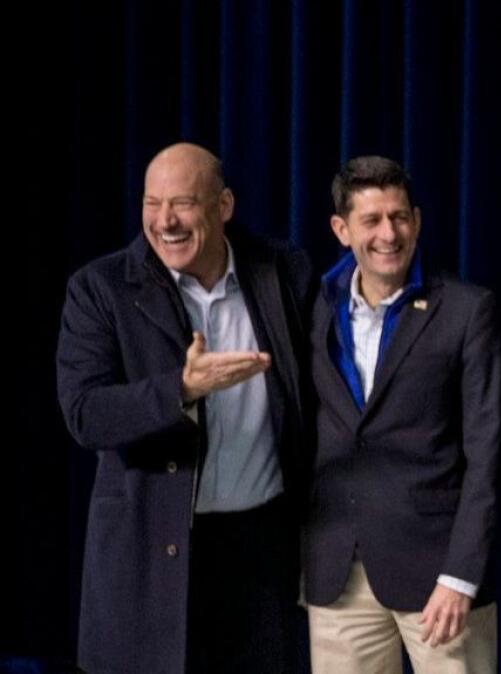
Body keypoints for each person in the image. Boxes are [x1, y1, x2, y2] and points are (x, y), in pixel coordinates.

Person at [57, 142, 313, 673]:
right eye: (152, 204)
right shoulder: (100, 288)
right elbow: (85, 413)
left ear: (223, 207)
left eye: (183, 204)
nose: (165, 221)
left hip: (260, 558)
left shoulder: (283, 271)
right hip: (150, 554)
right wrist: (182, 388)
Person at [304, 156, 500, 673]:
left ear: (416, 220)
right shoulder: (315, 308)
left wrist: (461, 576)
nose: (389, 234)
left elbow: (488, 453)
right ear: (342, 230)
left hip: (440, 578)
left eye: (400, 217)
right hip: (339, 575)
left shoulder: (465, 309)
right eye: (371, 220)